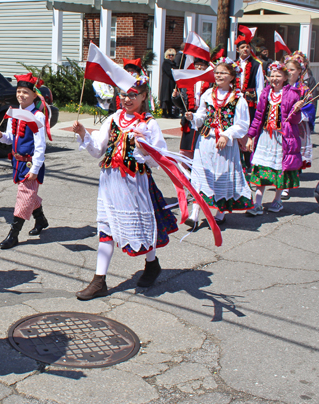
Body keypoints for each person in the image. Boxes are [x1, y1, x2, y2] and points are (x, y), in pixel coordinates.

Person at [71, 73, 178, 300]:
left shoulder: (149, 123)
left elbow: (159, 158)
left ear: (144, 96)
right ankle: (99, 280)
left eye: (133, 95)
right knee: (106, 227)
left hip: (135, 182)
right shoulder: (113, 119)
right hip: (109, 181)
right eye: (123, 94)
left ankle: (151, 264)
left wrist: (144, 147)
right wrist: (83, 134)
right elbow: (98, 151)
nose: (127, 99)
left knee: (141, 227)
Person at [184, 58, 253, 227]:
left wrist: (227, 135)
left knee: (223, 176)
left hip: (225, 145)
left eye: (223, 73)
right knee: (201, 175)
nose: (219, 75)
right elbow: (202, 115)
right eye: (217, 72)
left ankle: (220, 212)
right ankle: (194, 214)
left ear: (232, 77)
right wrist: (194, 117)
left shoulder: (238, 98)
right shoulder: (208, 94)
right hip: (206, 141)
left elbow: (242, 124)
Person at [0, 73, 50, 249]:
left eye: (25, 92)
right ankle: (41, 220)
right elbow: (11, 138)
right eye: (18, 91)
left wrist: (36, 168)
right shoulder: (14, 113)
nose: (21, 95)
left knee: (24, 197)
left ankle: (13, 234)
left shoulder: (37, 116)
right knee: (29, 194)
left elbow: (40, 145)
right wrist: (1, 135)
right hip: (17, 163)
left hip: (31, 163)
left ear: (34, 95)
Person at [245, 62, 304, 215]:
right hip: (265, 136)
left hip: (282, 138)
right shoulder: (265, 93)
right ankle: (257, 203)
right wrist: (250, 136)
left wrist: (297, 110)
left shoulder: (293, 94)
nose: (274, 78)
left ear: (285, 77)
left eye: (278, 75)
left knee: (280, 168)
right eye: (272, 75)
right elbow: (258, 116)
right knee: (261, 169)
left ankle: (277, 200)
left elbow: (295, 120)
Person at [281, 55, 315, 200]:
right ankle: (279, 182)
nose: (289, 71)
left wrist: (298, 112)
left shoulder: (304, 88)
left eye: (292, 69)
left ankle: (287, 186)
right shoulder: (280, 86)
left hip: (297, 126)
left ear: (300, 71)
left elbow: (310, 108)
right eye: (287, 69)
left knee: (292, 155)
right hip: (280, 126)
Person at [235, 29, 265, 175]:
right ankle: (238, 161)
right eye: (242, 47)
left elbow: (260, 86)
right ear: (237, 50)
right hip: (236, 102)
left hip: (250, 101)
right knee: (237, 128)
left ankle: (249, 162)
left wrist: (261, 105)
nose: (245, 49)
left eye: (247, 47)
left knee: (248, 130)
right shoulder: (233, 65)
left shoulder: (256, 64)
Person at [172, 58, 211, 160]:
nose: (199, 67)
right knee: (187, 148)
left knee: (200, 146)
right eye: (197, 65)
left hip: (204, 116)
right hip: (189, 116)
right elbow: (182, 104)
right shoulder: (188, 81)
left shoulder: (211, 82)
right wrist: (175, 97)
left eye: (202, 65)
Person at [160, 48, 177, 118]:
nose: (171, 56)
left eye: (172, 55)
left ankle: (170, 112)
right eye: (169, 55)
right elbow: (169, 72)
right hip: (166, 83)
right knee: (165, 98)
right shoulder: (166, 63)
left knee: (170, 98)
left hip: (171, 83)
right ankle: (164, 112)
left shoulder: (174, 64)